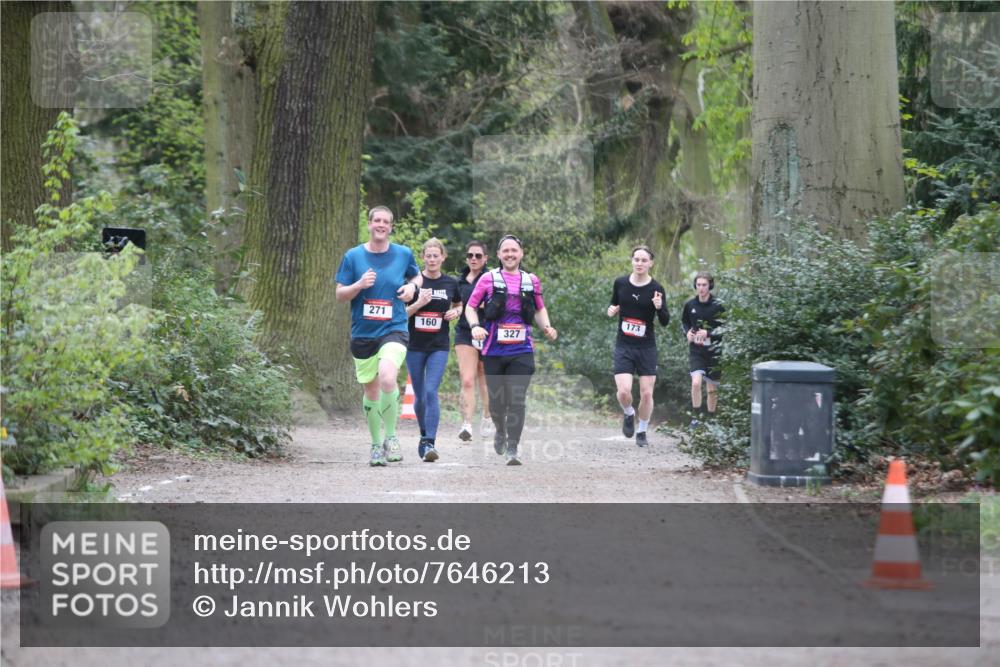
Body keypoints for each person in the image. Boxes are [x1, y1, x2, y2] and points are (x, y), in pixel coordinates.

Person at [335, 205, 422, 466]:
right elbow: (340, 294)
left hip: (393, 328)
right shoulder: (353, 256)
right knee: (371, 391)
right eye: (377, 221)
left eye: (386, 221)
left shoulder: (403, 254)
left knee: (387, 376)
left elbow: (417, 277)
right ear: (370, 224)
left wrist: (411, 288)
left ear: (391, 227)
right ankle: (376, 445)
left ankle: (392, 437)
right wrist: (359, 285)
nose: (381, 225)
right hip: (363, 333)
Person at [466, 235, 557, 465]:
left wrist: (546, 326)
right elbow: (470, 307)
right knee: (497, 402)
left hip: (522, 349)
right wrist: (475, 326)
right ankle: (500, 430)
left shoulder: (531, 280)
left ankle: (513, 448)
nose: (509, 254)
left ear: (521, 253)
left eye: (514, 250)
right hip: (494, 350)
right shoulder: (488, 278)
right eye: (505, 251)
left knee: (517, 399)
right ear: (498, 255)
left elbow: (539, 309)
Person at [405, 239, 462, 462]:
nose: (431, 260)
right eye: (427, 256)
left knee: (431, 391)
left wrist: (455, 313)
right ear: (423, 257)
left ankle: (430, 442)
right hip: (414, 345)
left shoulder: (451, 283)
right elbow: (403, 314)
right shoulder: (414, 282)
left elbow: (459, 304)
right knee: (419, 397)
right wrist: (419, 303)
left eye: (435, 256)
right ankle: (423, 435)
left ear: (442, 257)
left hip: (439, 346)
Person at [607, 245, 670, 447]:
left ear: (651, 263)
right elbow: (614, 304)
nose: (640, 263)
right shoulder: (621, 283)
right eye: (636, 259)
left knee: (646, 393)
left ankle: (642, 430)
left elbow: (665, 321)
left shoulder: (657, 289)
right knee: (624, 391)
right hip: (624, 344)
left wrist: (659, 308)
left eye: (644, 260)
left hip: (646, 347)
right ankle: (628, 412)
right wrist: (611, 311)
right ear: (631, 261)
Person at [454, 240, 493, 442]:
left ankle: (487, 417)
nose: (474, 259)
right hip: (464, 332)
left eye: (478, 255)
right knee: (467, 379)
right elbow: (455, 304)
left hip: (488, 332)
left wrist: (491, 306)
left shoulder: (492, 278)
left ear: (485, 258)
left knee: (484, 379)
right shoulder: (458, 281)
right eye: (470, 255)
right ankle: (467, 424)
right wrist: (453, 311)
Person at [681, 271, 724, 427]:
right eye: (698, 285)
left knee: (712, 389)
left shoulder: (718, 305)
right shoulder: (690, 305)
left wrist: (709, 333)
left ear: (710, 285)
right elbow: (684, 322)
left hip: (714, 351)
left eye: (704, 285)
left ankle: (712, 420)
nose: (701, 288)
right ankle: (696, 418)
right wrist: (687, 333)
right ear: (695, 285)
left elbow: (725, 329)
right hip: (697, 350)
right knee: (696, 383)